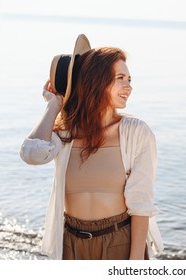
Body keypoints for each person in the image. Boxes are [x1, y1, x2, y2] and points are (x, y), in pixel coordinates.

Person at [20, 34, 163, 260]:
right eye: (120, 78)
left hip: (118, 241)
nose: (129, 87)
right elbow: (32, 155)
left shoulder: (135, 132)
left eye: (129, 79)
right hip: (71, 243)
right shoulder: (65, 134)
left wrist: (136, 265)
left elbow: (141, 202)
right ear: (97, 81)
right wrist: (53, 106)